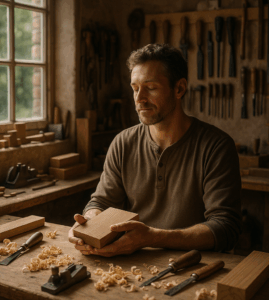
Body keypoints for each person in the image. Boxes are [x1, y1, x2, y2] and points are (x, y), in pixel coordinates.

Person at [68, 44, 242, 257]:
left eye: (150, 88)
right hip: (132, 262)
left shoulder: (216, 146)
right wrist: (90, 223)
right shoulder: (123, 143)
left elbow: (225, 228)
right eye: (135, 88)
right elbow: (102, 202)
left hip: (194, 264)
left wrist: (152, 237)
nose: (139, 99)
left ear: (179, 89)